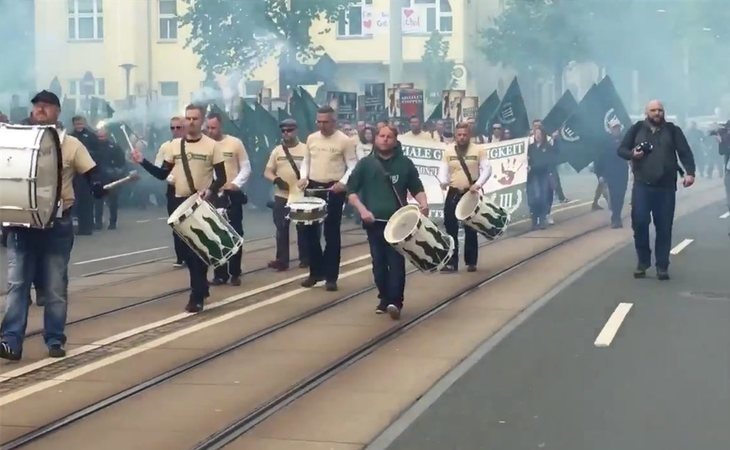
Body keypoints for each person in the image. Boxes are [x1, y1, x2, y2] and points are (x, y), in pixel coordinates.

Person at [0, 90, 106, 360]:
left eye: (46, 106)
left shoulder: (70, 144)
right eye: (37, 106)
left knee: (55, 286)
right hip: (21, 226)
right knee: (17, 286)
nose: (40, 110)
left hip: (57, 223)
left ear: (58, 111)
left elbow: (92, 171)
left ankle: (55, 338)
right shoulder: (15, 139)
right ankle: (10, 341)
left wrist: (96, 184)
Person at [132, 104, 226, 312]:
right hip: (179, 201)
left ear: (201, 121)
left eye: (195, 118)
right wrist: (142, 162)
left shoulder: (212, 146)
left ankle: (196, 295)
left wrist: (210, 190)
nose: (191, 122)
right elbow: (162, 174)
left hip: (201, 203)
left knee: (198, 251)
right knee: (185, 250)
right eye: (188, 118)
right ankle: (201, 287)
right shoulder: (174, 147)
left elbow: (222, 177)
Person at [347, 124, 428, 319]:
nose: (385, 139)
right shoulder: (366, 164)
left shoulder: (404, 163)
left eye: (389, 136)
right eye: (381, 136)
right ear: (375, 139)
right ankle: (384, 297)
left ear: (395, 140)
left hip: (398, 223)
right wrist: (362, 210)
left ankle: (395, 302)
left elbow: (416, 186)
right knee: (378, 264)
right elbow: (351, 191)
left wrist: (424, 204)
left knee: (396, 262)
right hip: (374, 222)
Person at [617, 99, 695, 280]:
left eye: (660, 110)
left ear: (664, 112)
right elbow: (621, 149)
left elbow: (685, 152)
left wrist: (689, 173)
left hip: (666, 187)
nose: (657, 113)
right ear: (647, 113)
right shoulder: (637, 129)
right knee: (640, 223)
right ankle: (643, 261)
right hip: (643, 186)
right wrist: (632, 154)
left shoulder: (673, 131)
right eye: (653, 110)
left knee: (664, 227)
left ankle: (662, 265)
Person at [297, 105, 358, 291]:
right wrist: (303, 176)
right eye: (319, 121)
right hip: (313, 187)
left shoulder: (344, 141)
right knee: (309, 232)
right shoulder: (311, 138)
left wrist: (343, 182)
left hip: (333, 189)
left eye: (325, 122)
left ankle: (331, 276)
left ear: (334, 121)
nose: (322, 125)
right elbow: (306, 161)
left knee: (331, 233)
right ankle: (315, 272)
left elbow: (353, 165)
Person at [438, 122, 493, 272]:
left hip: (471, 192)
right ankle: (451, 262)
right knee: (450, 226)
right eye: (459, 135)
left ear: (469, 135)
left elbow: (487, 169)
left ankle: (471, 261)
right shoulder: (449, 151)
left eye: (464, 135)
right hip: (454, 191)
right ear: (455, 135)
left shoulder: (478, 149)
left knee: (470, 227)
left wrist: (479, 184)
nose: (462, 137)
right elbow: (443, 169)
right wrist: (443, 181)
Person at [205, 112, 251, 286]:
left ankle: (235, 272)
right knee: (216, 235)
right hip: (211, 195)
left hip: (231, 194)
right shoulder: (204, 145)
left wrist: (235, 184)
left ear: (221, 126)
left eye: (213, 127)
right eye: (208, 127)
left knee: (235, 233)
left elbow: (246, 167)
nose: (210, 131)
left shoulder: (234, 143)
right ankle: (220, 273)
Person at [263, 118, 310, 271]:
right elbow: (267, 171)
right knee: (281, 228)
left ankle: (305, 258)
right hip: (282, 195)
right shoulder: (277, 151)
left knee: (303, 228)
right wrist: (276, 179)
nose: (286, 133)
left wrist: (306, 180)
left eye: (289, 130)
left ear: (296, 131)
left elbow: (312, 169)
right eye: (283, 131)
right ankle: (282, 260)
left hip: (300, 195)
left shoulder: (305, 149)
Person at [155, 116, 187, 267]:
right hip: (173, 189)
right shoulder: (165, 147)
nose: (175, 131)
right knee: (176, 224)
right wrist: (171, 178)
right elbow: (158, 168)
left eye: (178, 128)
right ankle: (181, 257)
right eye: (172, 128)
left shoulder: (192, 144)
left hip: (191, 190)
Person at [594, 119, 629, 228]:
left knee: (621, 195)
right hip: (610, 173)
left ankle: (617, 215)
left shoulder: (625, 140)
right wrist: (599, 174)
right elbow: (599, 158)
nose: (616, 129)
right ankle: (615, 218)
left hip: (622, 172)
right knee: (613, 196)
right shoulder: (605, 142)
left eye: (618, 127)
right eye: (614, 127)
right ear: (610, 129)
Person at [94, 126, 127, 230]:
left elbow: (122, 162)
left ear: (107, 135)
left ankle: (113, 222)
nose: (101, 138)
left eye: (103, 136)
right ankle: (98, 222)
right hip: (98, 177)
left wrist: (118, 171)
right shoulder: (94, 147)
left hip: (112, 178)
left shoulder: (114, 147)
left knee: (113, 202)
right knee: (98, 201)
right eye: (99, 136)